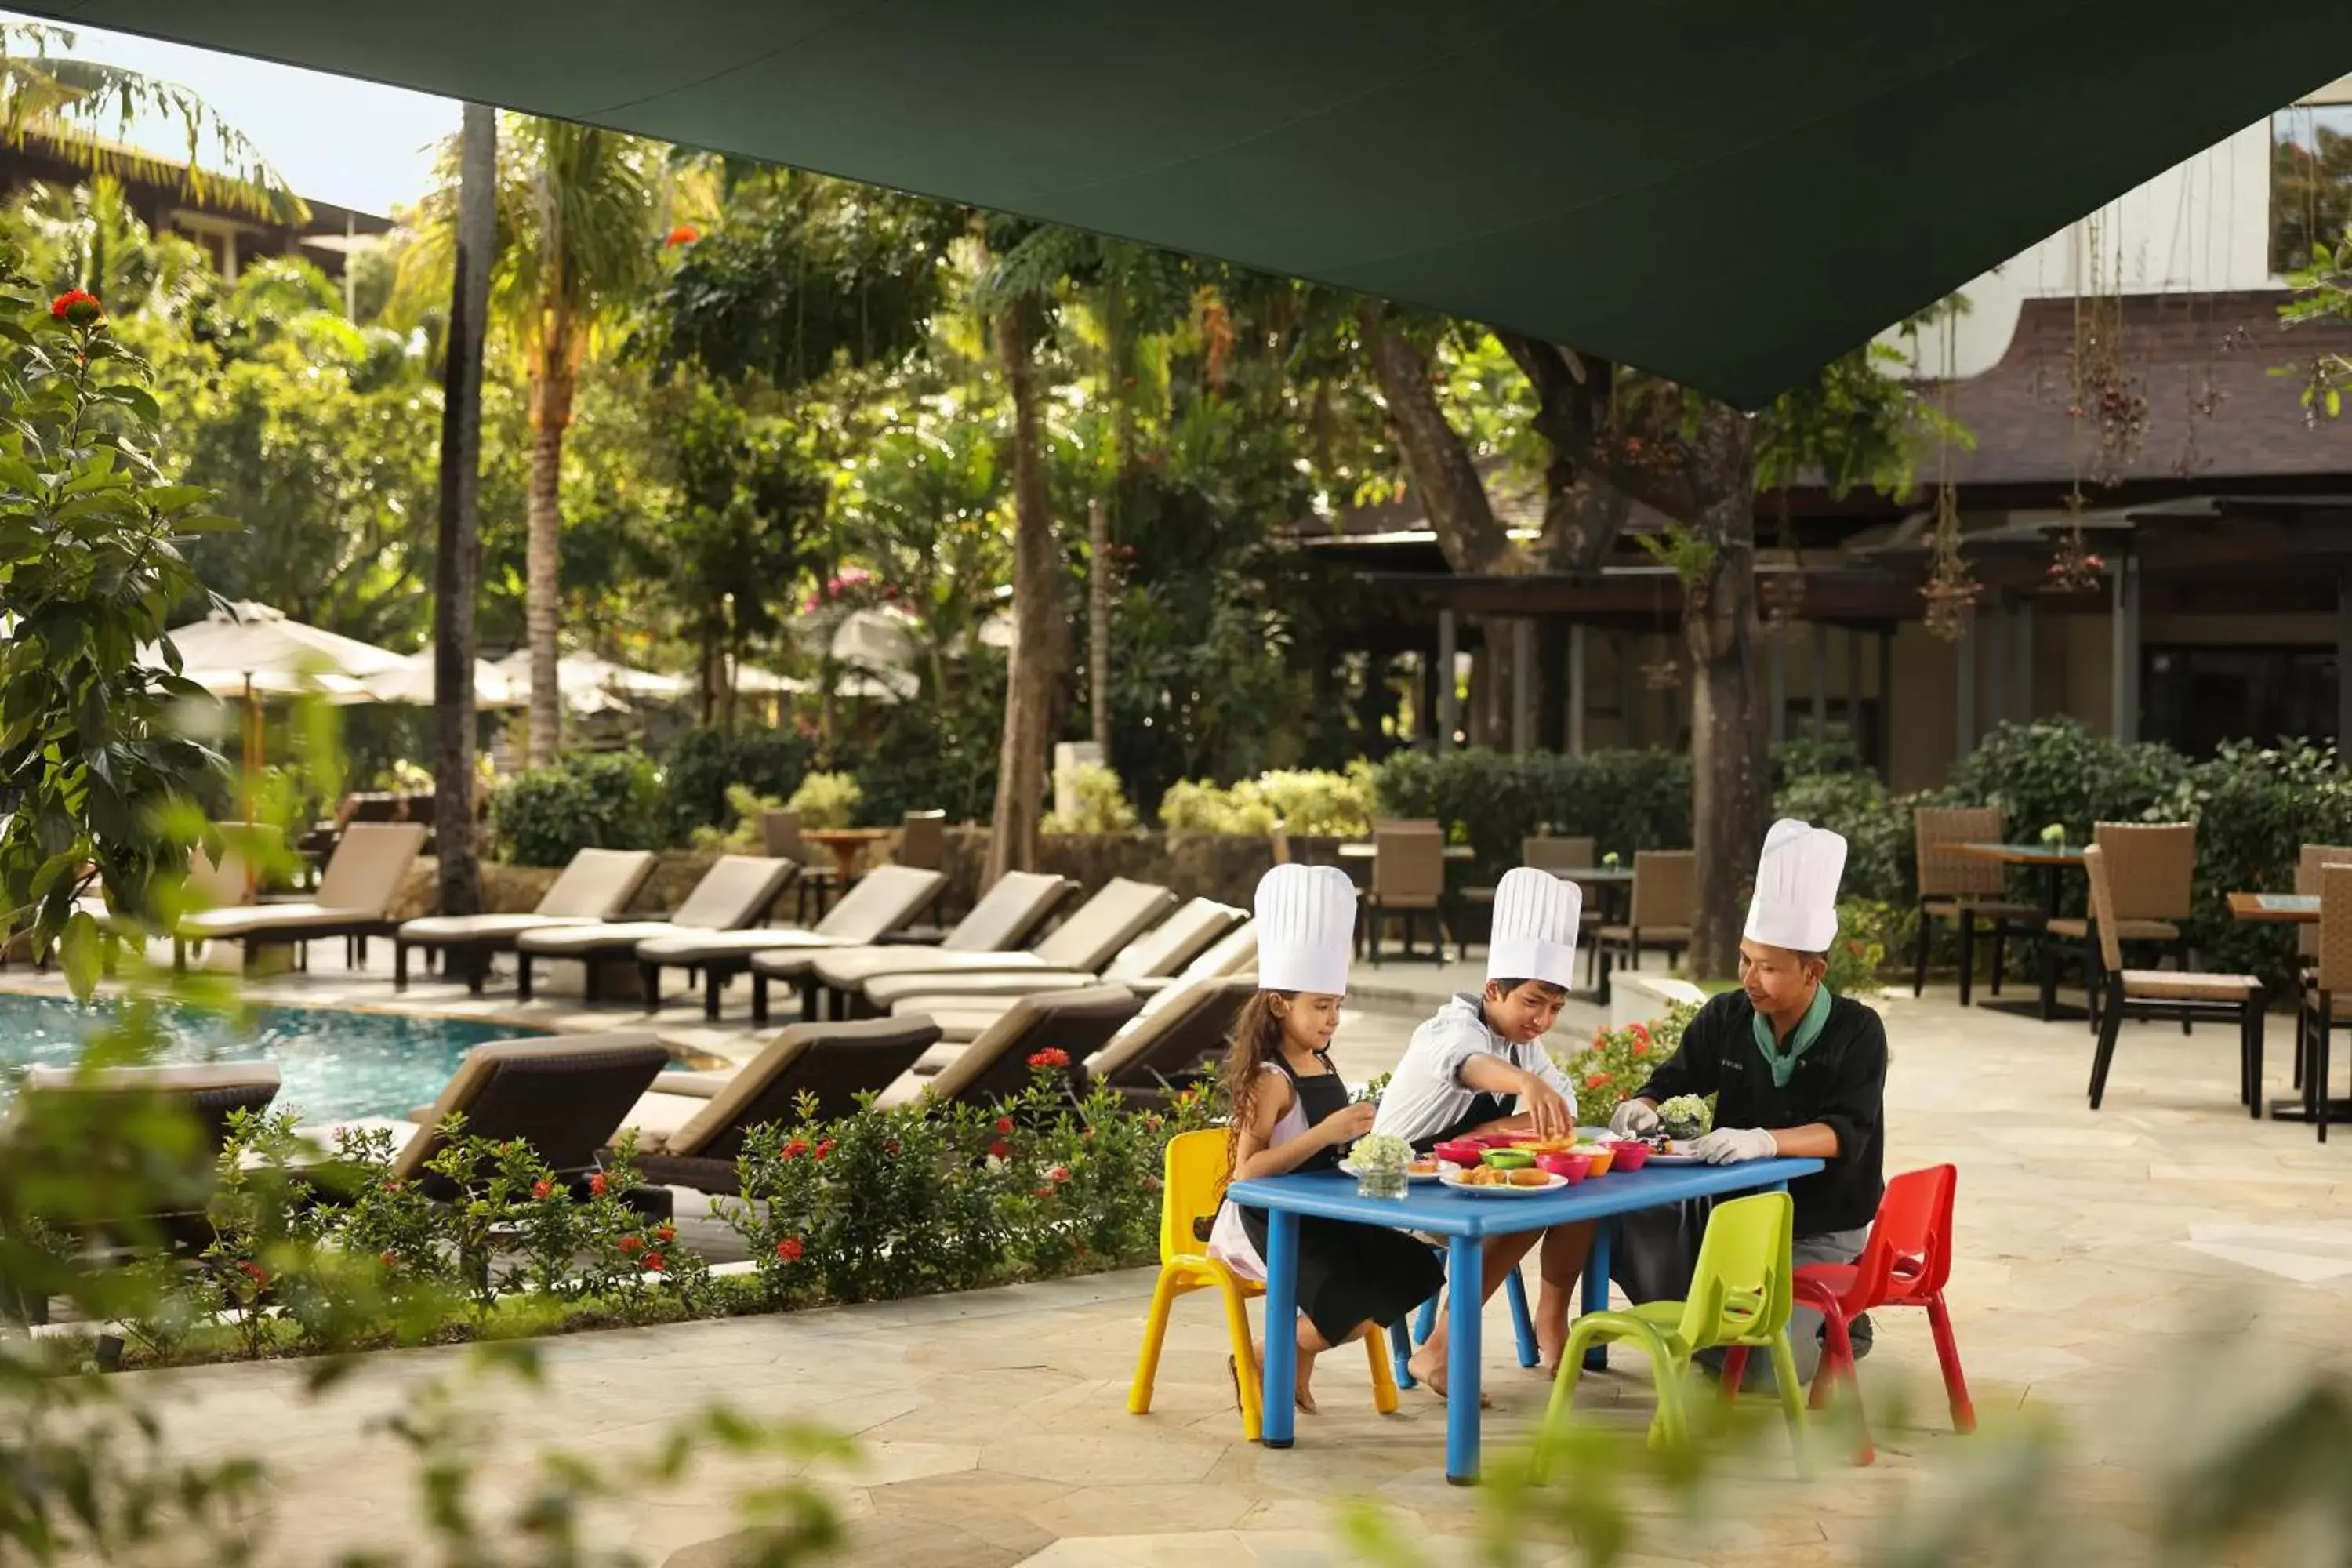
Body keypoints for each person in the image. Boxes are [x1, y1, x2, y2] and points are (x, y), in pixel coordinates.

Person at [1602, 818, 1887, 1386]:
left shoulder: (1859, 1032)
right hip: (1728, 1212)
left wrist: (1765, 1141)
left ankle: (1839, 1326)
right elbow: (1674, 1077)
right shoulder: (1727, 1017)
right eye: (1744, 959)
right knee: (1610, 1223)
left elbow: (1845, 1132)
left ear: (1813, 971)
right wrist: (1645, 1105)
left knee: (1759, 1372)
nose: (1749, 978)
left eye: (1769, 967)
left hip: (1819, 1224)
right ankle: (1714, 1322)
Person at [1207, 862, 1444, 1414]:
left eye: (1337, 1006)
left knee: (1414, 1269)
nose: (1332, 1018)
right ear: (1279, 1004)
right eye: (1320, 1006)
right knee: (1345, 1299)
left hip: (1323, 1212)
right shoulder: (1269, 1079)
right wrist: (1327, 1132)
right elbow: (1248, 1175)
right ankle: (1266, 1355)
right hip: (1269, 1219)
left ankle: (1280, 1355)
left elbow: (1334, 1150)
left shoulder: (1318, 1061)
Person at [1373, 867, 1590, 1390]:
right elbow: (1465, 1063)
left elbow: (1566, 1110)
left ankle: (1552, 1319)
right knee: (1526, 1208)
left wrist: (1498, 1123)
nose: (1542, 1020)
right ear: (1494, 988)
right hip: (1392, 1185)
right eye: (1532, 1002)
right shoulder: (1450, 1029)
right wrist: (1526, 1089)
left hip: (1451, 1184)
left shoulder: (1523, 1042)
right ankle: (1442, 1351)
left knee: (1580, 1196)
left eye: (1555, 1008)